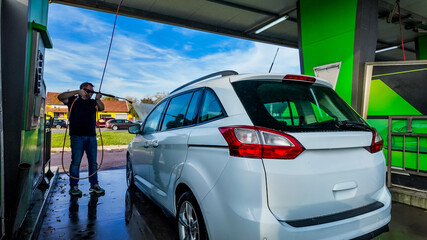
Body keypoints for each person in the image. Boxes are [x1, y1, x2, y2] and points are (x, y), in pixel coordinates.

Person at [58, 82, 105, 196]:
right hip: (76, 136)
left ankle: (94, 185)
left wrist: (98, 99)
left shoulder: (93, 102)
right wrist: (76, 92)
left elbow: (102, 108)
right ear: (83, 90)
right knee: (76, 162)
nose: (91, 94)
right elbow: (60, 97)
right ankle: (74, 186)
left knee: (93, 163)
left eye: (92, 92)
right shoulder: (72, 100)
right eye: (89, 91)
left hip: (91, 137)